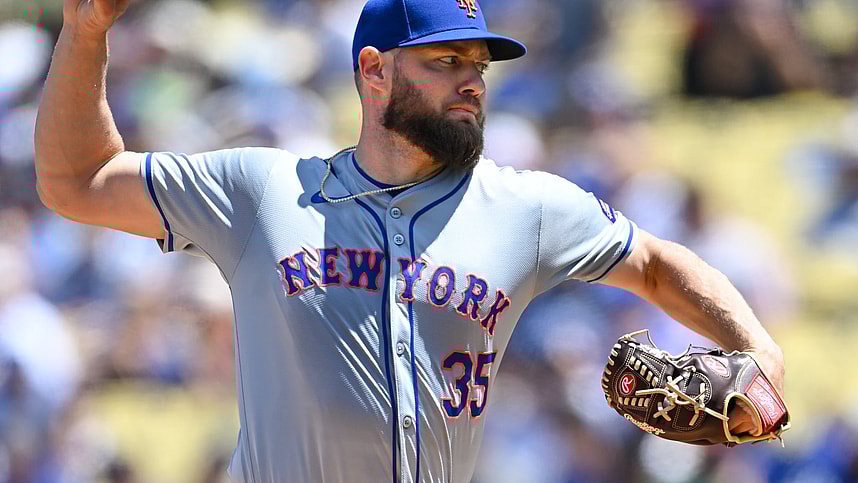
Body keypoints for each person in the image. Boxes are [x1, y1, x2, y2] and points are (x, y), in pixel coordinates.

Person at [34, 0, 786, 481]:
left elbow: (655, 263)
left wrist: (761, 352)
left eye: (478, 67)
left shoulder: (524, 206)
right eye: (446, 62)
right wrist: (87, 32)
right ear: (373, 71)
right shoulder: (264, 191)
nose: (472, 83)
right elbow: (80, 179)